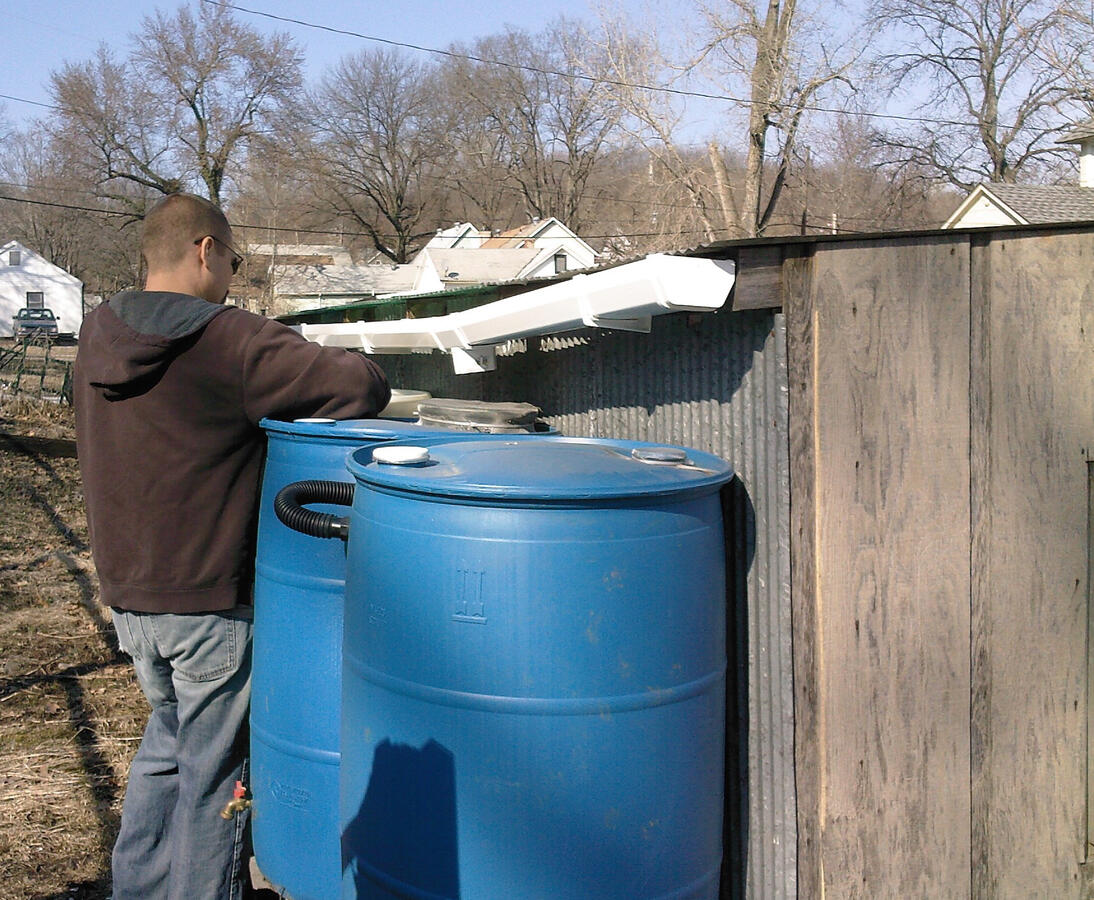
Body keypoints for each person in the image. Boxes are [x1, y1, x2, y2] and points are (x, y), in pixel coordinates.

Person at [74, 193, 390, 899]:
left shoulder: (96, 333)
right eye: (236, 260)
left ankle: (138, 889)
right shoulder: (230, 341)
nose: (234, 276)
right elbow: (361, 386)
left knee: (170, 746)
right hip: (210, 603)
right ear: (205, 250)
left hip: (130, 599)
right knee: (217, 777)